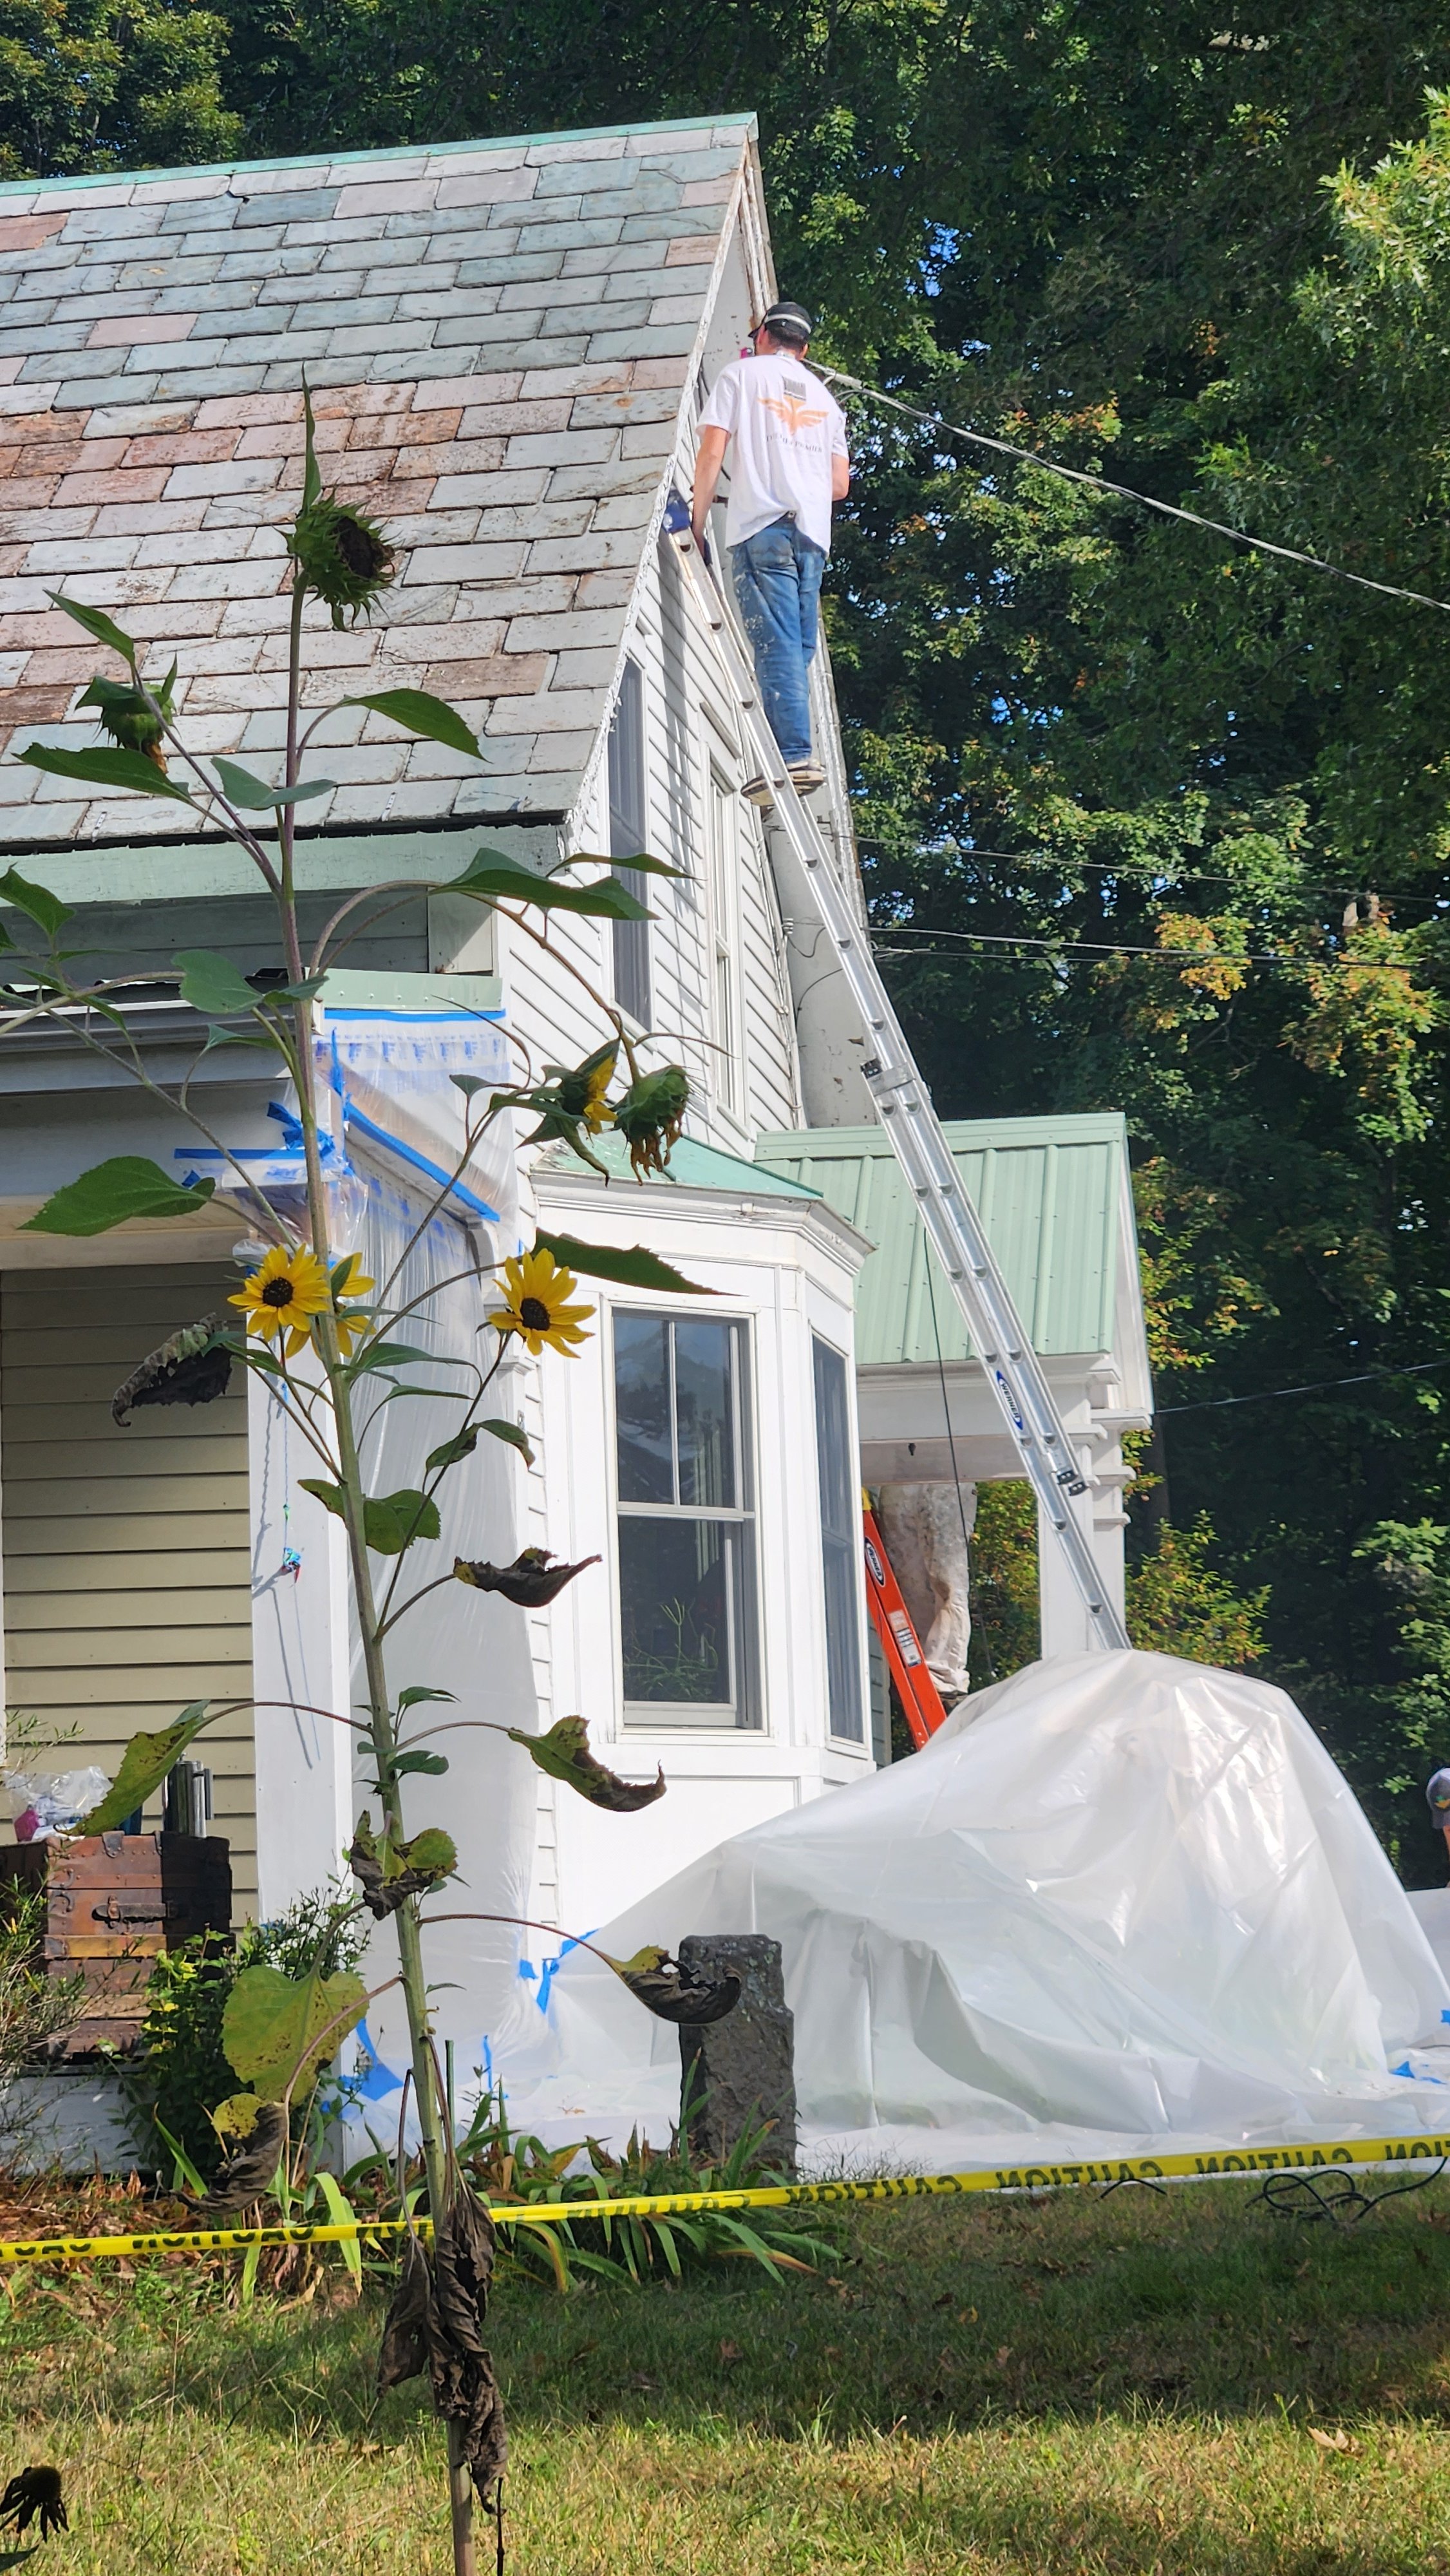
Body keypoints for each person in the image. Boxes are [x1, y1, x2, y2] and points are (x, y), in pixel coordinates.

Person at [691, 300, 850, 802]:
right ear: (803, 349)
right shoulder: (828, 404)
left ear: (761, 336)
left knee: (776, 643)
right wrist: (798, 482)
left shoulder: (740, 377)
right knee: (798, 646)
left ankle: (793, 755)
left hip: (763, 528)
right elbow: (839, 485)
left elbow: (713, 450)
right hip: (811, 538)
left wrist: (697, 522)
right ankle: (796, 750)